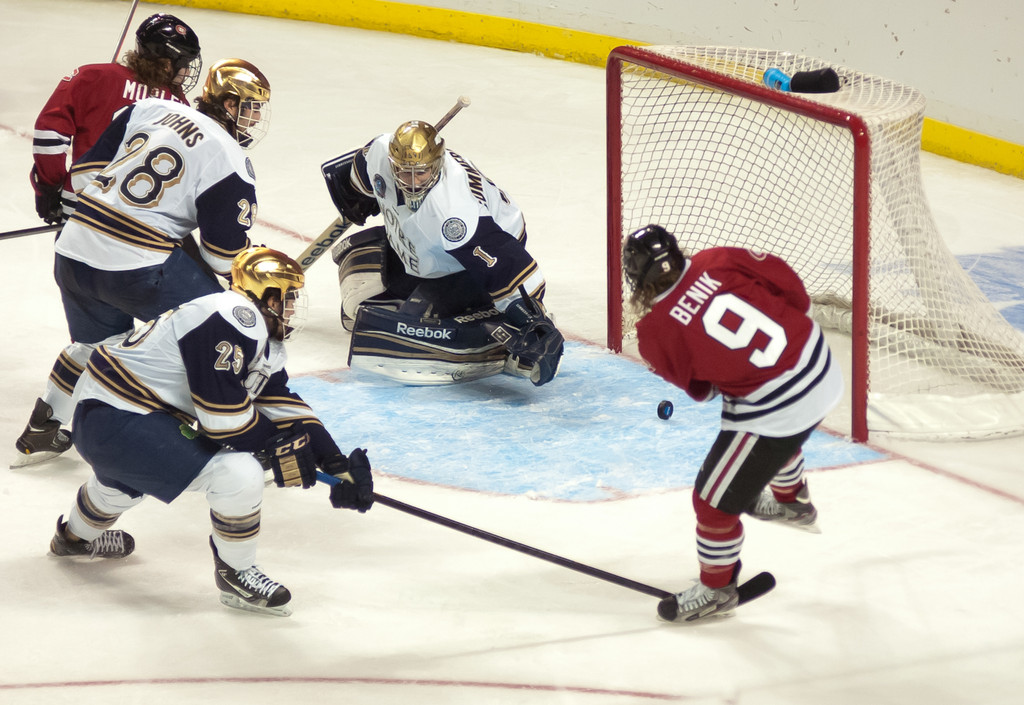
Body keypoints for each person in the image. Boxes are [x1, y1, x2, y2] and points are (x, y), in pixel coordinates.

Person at [48, 247, 374, 617]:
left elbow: (279, 400)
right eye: (288, 297)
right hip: (118, 418)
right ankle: (236, 573)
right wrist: (276, 446)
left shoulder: (248, 329)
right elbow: (222, 418)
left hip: (117, 418)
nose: (292, 308)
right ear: (267, 295)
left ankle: (73, 538)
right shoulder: (234, 317)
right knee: (239, 472)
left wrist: (333, 459)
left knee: (124, 481)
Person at [13, 58, 271, 468]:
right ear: (228, 104)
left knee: (96, 345)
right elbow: (222, 258)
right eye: (250, 107)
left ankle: (45, 424)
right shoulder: (230, 158)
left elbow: (81, 178)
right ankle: (231, 430)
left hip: (74, 250)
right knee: (220, 320)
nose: (255, 118)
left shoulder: (148, 109)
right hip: (137, 266)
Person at [621, 225, 843, 623]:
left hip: (782, 407)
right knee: (763, 428)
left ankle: (716, 590)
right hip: (822, 364)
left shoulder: (654, 332)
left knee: (711, 502)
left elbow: (703, 391)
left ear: (637, 282)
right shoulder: (720, 258)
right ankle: (792, 501)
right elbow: (790, 286)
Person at [321, 118, 564, 386]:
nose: (412, 183)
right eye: (404, 172)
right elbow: (360, 167)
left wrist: (533, 319)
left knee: (416, 321)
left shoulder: (453, 213)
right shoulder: (381, 150)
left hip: (483, 249)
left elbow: (504, 262)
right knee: (359, 280)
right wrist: (358, 193)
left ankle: (500, 338)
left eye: (421, 173)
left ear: (436, 166)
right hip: (424, 243)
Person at [31, 13, 202, 225]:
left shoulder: (91, 77)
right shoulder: (178, 106)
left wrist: (49, 187)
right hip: (145, 217)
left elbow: (50, 134)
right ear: (167, 64)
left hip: (83, 201)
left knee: (72, 257)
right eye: (184, 63)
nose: (186, 72)